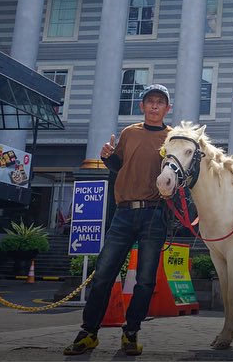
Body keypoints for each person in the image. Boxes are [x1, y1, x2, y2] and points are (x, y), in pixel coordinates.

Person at [64, 84, 172, 356]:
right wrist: (107, 157)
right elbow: (119, 167)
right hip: (123, 213)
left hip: (154, 213)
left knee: (146, 280)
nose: (155, 106)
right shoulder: (129, 133)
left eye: (160, 102)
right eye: (150, 102)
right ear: (142, 106)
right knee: (103, 275)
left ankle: (132, 332)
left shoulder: (173, 138)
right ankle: (89, 332)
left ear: (167, 108)